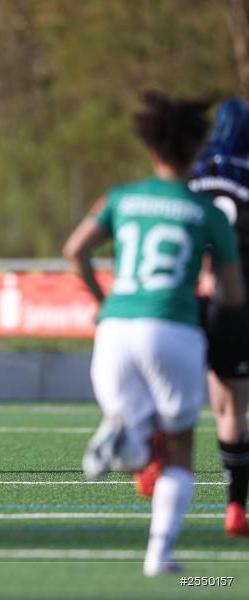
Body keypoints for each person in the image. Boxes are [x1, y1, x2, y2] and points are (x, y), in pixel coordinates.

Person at [63, 90, 245, 576]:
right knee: (181, 446)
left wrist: (103, 303)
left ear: (151, 146)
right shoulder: (205, 212)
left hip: (117, 327)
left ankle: (130, 434)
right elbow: (233, 293)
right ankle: (158, 552)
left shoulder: (120, 197)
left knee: (139, 425)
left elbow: (74, 250)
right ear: (196, 148)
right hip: (175, 329)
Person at [189, 97, 249, 537]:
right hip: (236, 301)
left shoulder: (192, 171)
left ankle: (149, 454)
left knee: (176, 396)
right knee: (233, 409)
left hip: (189, 299)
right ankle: (236, 509)